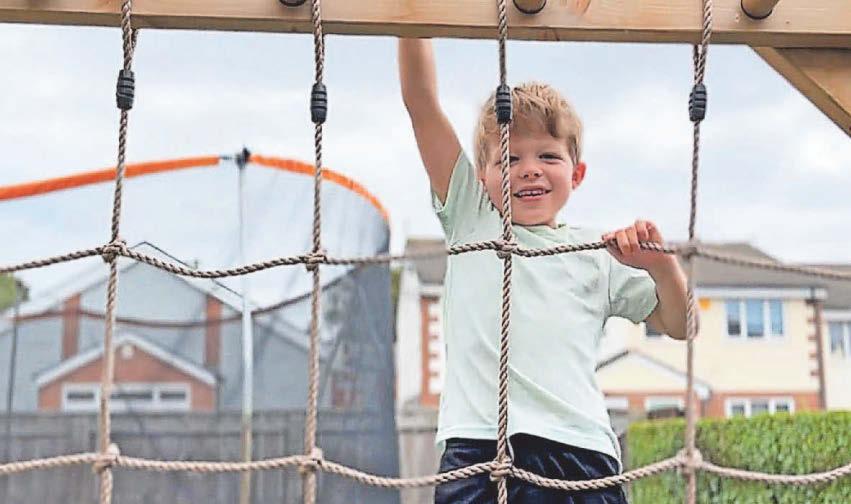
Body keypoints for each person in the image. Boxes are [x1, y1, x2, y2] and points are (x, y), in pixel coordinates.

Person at [398, 38, 691, 503]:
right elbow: (421, 103)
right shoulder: (472, 218)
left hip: (580, 455)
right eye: (509, 159)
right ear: (481, 176)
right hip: (481, 447)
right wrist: (414, 21)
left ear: (577, 174)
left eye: (548, 156)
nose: (529, 170)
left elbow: (681, 324)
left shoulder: (599, 251)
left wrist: (663, 267)